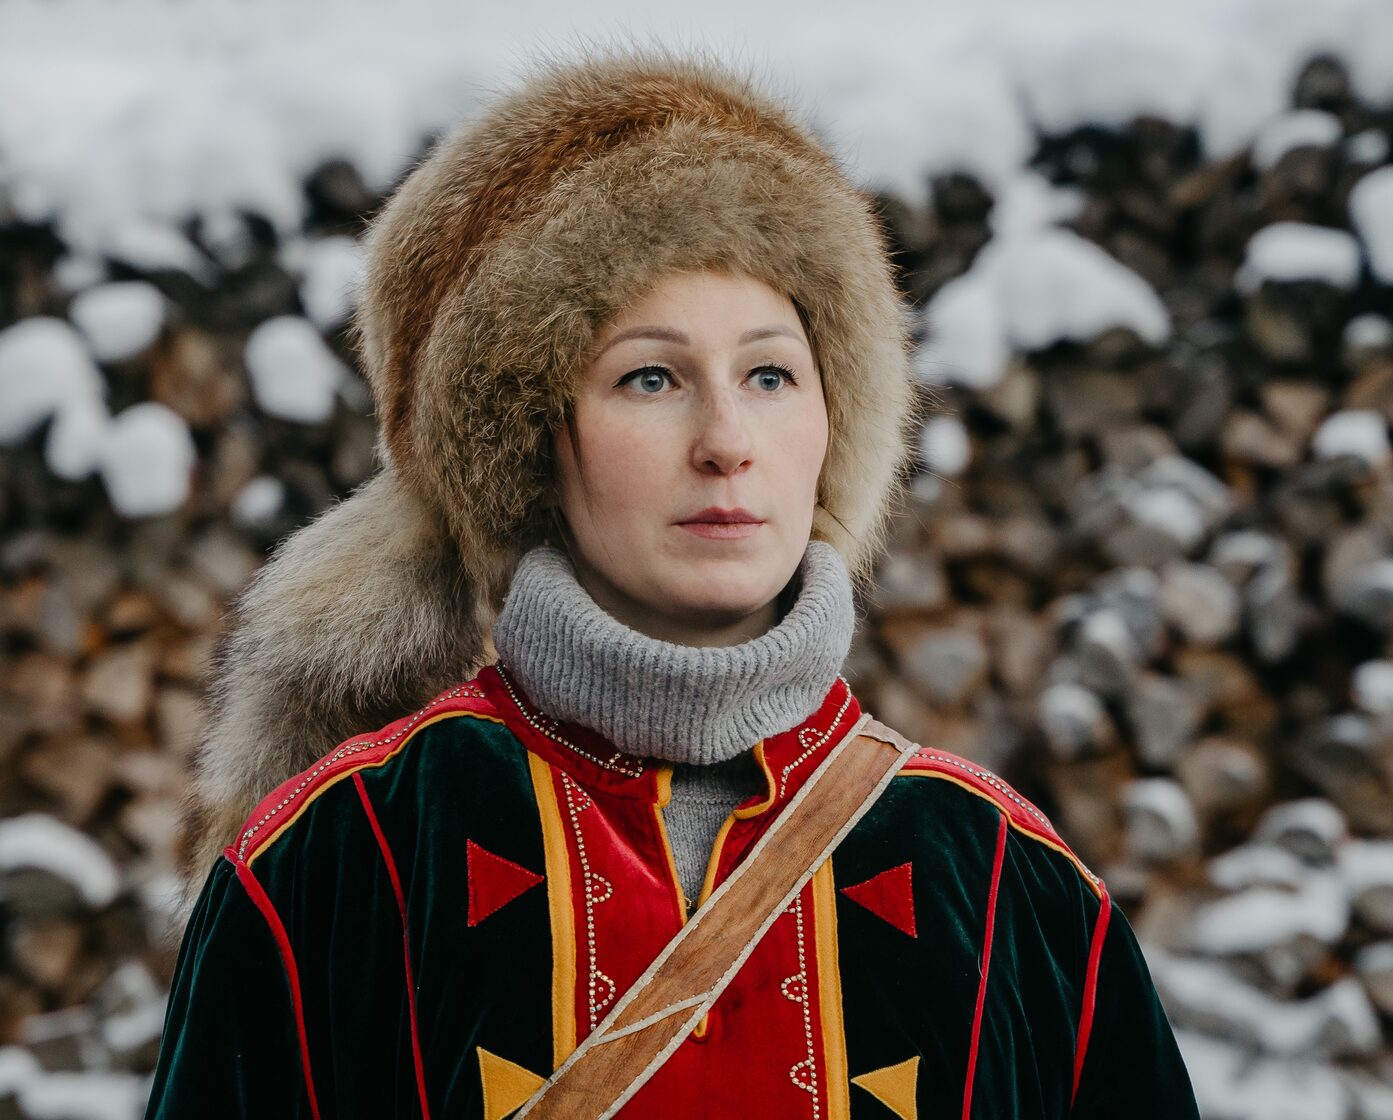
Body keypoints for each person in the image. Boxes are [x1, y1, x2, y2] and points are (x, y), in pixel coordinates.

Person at [145, 43, 1200, 1119]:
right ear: (530, 440)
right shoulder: (338, 860)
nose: (727, 440)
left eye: (772, 374)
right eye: (650, 376)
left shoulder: (1008, 882)